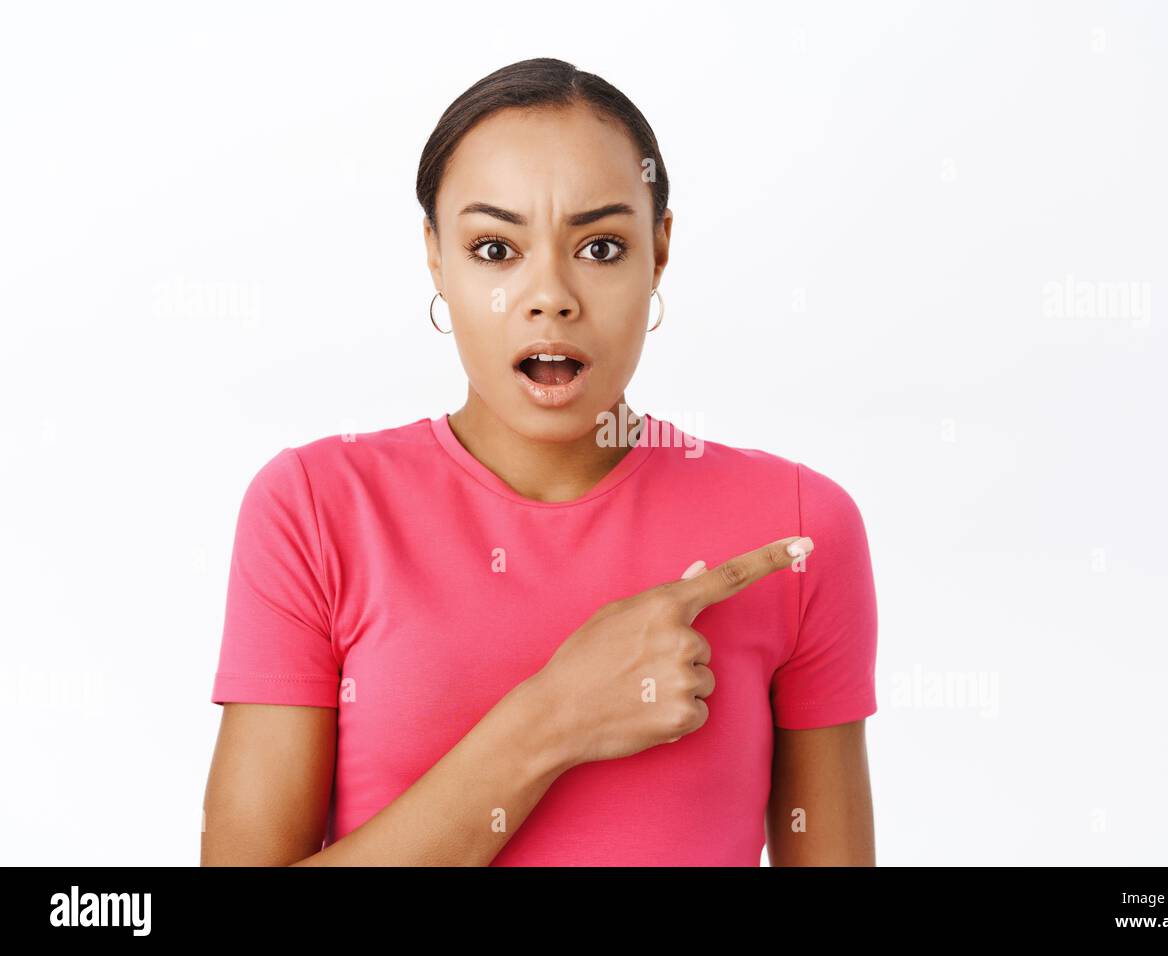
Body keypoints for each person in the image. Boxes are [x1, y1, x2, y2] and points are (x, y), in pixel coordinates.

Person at [201, 57, 878, 866]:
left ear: (659, 252)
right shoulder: (314, 508)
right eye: (494, 248)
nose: (550, 294)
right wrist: (553, 717)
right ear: (435, 259)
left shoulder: (797, 528)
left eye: (599, 246)